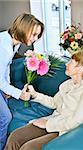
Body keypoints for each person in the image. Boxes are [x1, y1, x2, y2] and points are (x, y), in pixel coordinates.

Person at [5, 50, 83, 150]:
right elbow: (54, 102)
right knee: (15, 136)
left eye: (71, 62)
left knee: (28, 148)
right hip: (54, 120)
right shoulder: (68, 84)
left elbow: (75, 122)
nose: (66, 63)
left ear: (80, 69)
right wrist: (35, 95)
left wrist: (47, 124)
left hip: (67, 131)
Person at [0, 13, 44, 150]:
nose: (35, 39)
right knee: (5, 118)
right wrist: (18, 94)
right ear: (24, 29)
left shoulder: (14, 43)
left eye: (38, 35)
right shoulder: (4, 46)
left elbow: (5, 67)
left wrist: (7, 88)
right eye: (34, 34)